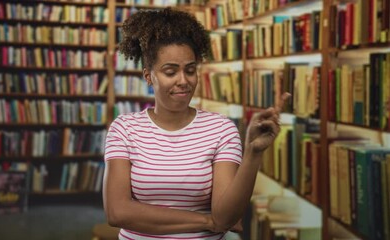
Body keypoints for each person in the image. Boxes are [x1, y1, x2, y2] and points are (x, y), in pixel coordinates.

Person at [103, 7, 291, 240]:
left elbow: (225, 216)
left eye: (190, 70)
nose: (183, 81)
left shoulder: (221, 129)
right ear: (149, 76)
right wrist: (205, 220)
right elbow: (117, 211)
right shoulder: (124, 129)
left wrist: (252, 153)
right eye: (170, 71)